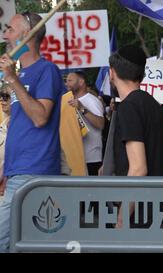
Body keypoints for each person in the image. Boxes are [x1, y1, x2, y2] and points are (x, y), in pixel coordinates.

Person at [0, 12, 65, 252]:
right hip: (18, 172)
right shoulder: (20, 75)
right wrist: (8, 170)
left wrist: (12, 80)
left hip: (34, 171)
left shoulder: (46, 70)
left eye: (10, 29)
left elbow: (39, 118)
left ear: (26, 36)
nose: (5, 34)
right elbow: (21, 126)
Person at [109, 45, 163, 177]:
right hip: (161, 195)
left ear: (111, 73)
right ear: (141, 75)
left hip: (139, 196)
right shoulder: (157, 107)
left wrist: (124, 198)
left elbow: (138, 170)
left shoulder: (128, 107)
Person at [65, 71, 105, 175]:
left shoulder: (92, 101)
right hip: (74, 158)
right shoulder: (67, 100)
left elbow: (100, 124)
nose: (66, 83)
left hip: (91, 159)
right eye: (66, 81)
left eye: (70, 80)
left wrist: (82, 108)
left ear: (81, 82)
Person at [0, 91, 11, 196]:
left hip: (16, 190)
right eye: (1, 96)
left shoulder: (31, 129)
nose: (2, 100)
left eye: (6, 97)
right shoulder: (1, 129)